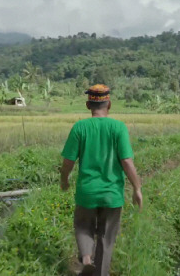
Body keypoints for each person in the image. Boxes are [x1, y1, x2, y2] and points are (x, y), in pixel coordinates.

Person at [59, 84, 143, 276]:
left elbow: (68, 162)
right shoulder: (118, 128)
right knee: (106, 238)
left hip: (87, 192)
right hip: (112, 194)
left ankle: (87, 259)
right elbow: (127, 162)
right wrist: (137, 188)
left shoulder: (80, 128)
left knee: (82, 226)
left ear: (88, 105)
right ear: (109, 105)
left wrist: (64, 180)